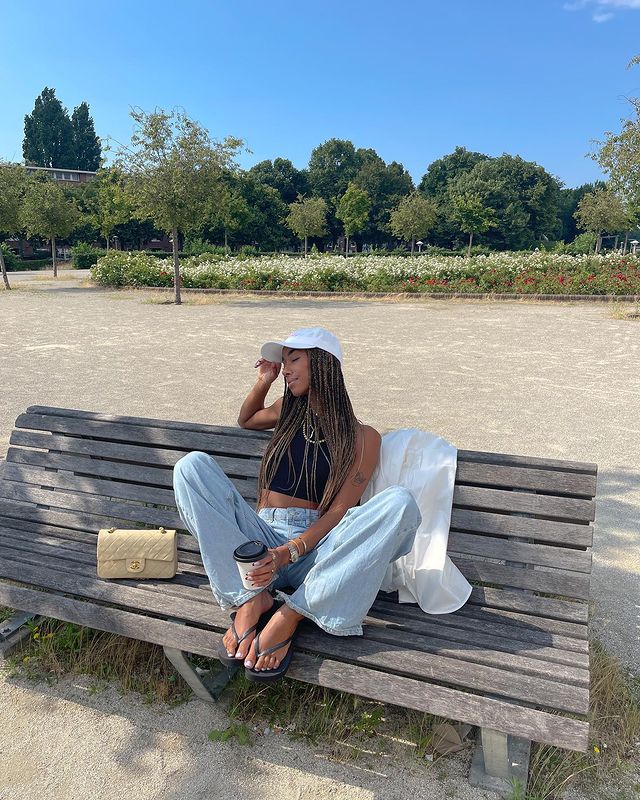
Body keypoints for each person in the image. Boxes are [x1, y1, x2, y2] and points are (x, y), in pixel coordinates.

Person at [172, 327, 421, 684]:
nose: (285, 369)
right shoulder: (288, 411)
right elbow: (247, 419)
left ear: (322, 364)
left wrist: (290, 551)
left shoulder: (363, 437)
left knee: (400, 503)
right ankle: (250, 599)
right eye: (283, 361)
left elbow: (339, 511)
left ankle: (291, 613)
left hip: (315, 550)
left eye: (293, 360)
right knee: (191, 467)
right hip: (260, 542)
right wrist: (265, 379)